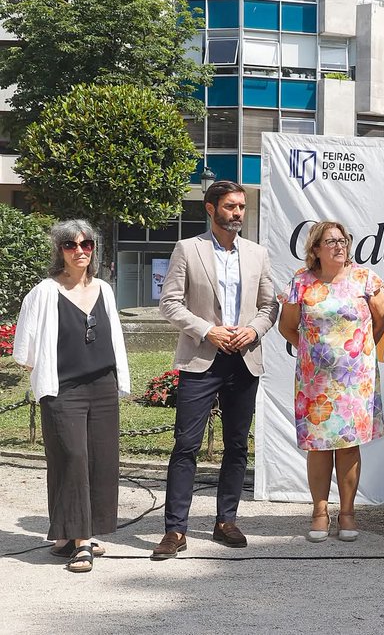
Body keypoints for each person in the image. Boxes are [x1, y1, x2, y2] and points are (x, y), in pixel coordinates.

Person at [153, 180, 279, 559]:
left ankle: (226, 521)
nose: (238, 212)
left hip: (243, 358)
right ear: (211, 209)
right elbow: (170, 303)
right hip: (201, 358)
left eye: (241, 206)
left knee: (237, 446)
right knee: (186, 445)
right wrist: (208, 330)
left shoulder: (258, 253)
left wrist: (252, 330)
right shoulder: (188, 249)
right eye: (230, 206)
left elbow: (270, 306)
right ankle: (176, 530)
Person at [13, 220, 130, 573]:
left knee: (101, 461)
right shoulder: (44, 292)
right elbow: (25, 350)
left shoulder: (105, 290)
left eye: (87, 244)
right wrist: (46, 375)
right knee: (73, 459)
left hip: (103, 386)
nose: (80, 250)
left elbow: (114, 339)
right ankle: (82, 543)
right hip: (63, 390)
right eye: (70, 244)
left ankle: (69, 534)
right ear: (59, 250)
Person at [278, 221, 384, 542]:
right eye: (331, 242)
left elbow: (382, 322)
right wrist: (314, 354)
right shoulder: (300, 282)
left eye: (343, 241)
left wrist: (360, 356)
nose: (339, 246)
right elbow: (288, 327)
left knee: (348, 446)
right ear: (315, 249)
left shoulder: (364, 279)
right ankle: (319, 511)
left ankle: (347, 513)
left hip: (355, 380)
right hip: (315, 381)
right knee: (318, 446)